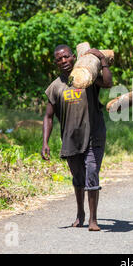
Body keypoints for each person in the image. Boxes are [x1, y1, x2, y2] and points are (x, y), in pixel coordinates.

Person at [41, 44, 112, 231]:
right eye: (59, 59)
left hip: (94, 134)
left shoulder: (87, 76)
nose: (63, 61)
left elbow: (108, 82)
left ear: (74, 57)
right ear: (55, 63)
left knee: (92, 172)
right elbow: (48, 117)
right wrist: (45, 142)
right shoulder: (55, 87)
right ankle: (80, 214)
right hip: (71, 138)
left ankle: (93, 220)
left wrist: (102, 61)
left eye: (66, 57)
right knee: (78, 178)